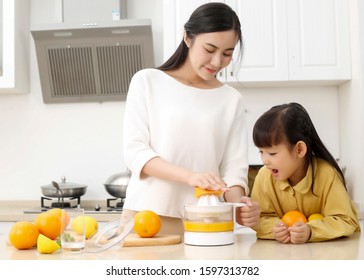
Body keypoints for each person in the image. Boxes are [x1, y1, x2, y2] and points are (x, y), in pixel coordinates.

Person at [121, 2, 260, 235]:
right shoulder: (147, 81)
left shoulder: (231, 99)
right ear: (187, 38)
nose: (217, 62)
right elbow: (135, 153)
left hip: (205, 221)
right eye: (209, 49)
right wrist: (192, 177)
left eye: (227, 54)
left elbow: (233, 170)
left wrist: (240, 205)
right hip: (145, 217)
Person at [250, 102, 360, 243]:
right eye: (261, 151)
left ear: (299, 149)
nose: (265, 160)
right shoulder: (264, 177)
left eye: (272, 153)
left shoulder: (327, 174)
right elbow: (260, 218)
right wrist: (274, 229)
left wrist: (311, 231)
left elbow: (345, 220)